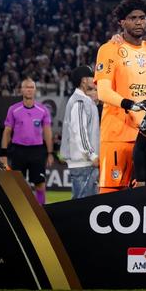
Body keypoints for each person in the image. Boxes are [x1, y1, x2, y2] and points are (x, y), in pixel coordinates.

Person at [94, 0, 146, 194]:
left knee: (145, 195)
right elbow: (103, 92)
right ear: (122, 22)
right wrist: (131, 104)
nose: (138, 22)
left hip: (145, 134)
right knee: (110, 195)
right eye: (132, 18)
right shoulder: (109, 49)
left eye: (142, 18)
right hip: (117, 133)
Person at [0, 78, 54, 205]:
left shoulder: (43, 110)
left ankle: (41, 211)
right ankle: (20, 214)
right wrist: (3, 154)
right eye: (26, 87)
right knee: (18, 187)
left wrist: (50, 153)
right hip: (18, 151)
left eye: (31, 87)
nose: (29, 89)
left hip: (37, 151)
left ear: (35, 90)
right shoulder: (13, 109)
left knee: (40, 186)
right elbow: (7, 132)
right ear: (21, 90)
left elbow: (47, 132)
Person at [60, 65, 101, 199]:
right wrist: (92, 155)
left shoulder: (84, 100)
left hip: (84, 162)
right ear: (84, 81)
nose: (94, 80)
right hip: (83, 162)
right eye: (91, 77)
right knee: (84, 205)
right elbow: (80, 132)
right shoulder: (79, 102)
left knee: (84, 204)